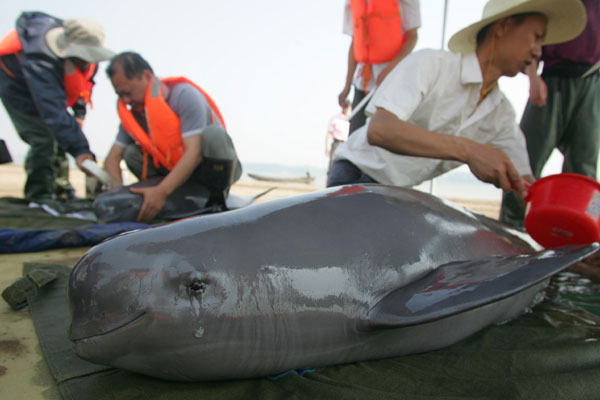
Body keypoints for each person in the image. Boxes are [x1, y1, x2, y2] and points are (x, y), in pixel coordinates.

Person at [327, 0, 587, 208]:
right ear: (503, 26)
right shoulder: (432, 64)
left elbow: (526, 188)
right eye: (536, 37)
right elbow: (380, 130)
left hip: (398, 195)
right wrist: (469, 151)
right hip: (355, 178)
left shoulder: (501, 115)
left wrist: (574, 240)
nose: (538, 51)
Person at [103, 52, 242, 222]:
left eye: (128, 93)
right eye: (120, 96)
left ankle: (215, 201)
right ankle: (169, 197)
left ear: (146, 76)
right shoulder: (134, 115)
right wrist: (119, 191)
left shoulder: (184, 96)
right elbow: (112, 159)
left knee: (214, 135)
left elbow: (194, 153)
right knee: (131, 152)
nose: (126, 100)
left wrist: (161, 193)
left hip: (211, 170)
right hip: (175, 174)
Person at [500, 0, 600, 227]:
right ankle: (510, 227)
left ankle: (583, 232)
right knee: (526, 158)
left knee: (585, 168)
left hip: (592, 81)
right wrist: (534, 77)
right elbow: (536, 38)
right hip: (552, 77)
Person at [0, 12, 114, 201]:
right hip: (16, 84)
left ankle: (61, 190)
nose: (86, 61)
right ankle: (40, 195)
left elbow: (84, 86)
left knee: (65, 131)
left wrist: (79, 114)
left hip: (49, 94)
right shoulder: (40, 59)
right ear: (68, 50)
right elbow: (52, 110)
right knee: (43, 137)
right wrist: (81, 150)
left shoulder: (88, 60)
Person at [338, 0, 421, 135]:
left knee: (386, 135)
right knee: (355, 134)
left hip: (393, 81)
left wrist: (390, 69)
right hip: (362, 83)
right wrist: (347, 86)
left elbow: (413, 36)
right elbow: (355, 42)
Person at [326, 101, 352, 177]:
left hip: (347, 144)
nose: (346, 108)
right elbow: (329, 133)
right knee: (332, 167)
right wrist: (327, 147)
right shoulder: (335, 118)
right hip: (337, 143)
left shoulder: (351, 118)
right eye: (345, 106)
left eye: (347, 106)